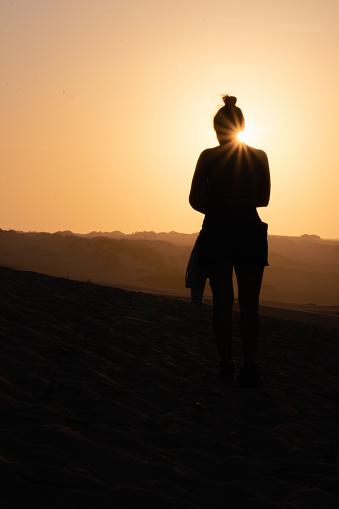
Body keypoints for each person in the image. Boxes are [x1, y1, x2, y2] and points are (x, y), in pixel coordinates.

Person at [188, 94, 270, 387]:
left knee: (222, 304)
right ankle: (250, 367)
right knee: (250, 305)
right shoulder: (259, 156)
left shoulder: (208, 157)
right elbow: (264, 199)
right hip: (249, 229)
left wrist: (218, 205)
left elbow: (193, 199)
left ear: (216, 128)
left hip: (217, 231)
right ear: (242, 126)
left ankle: (225, 365)